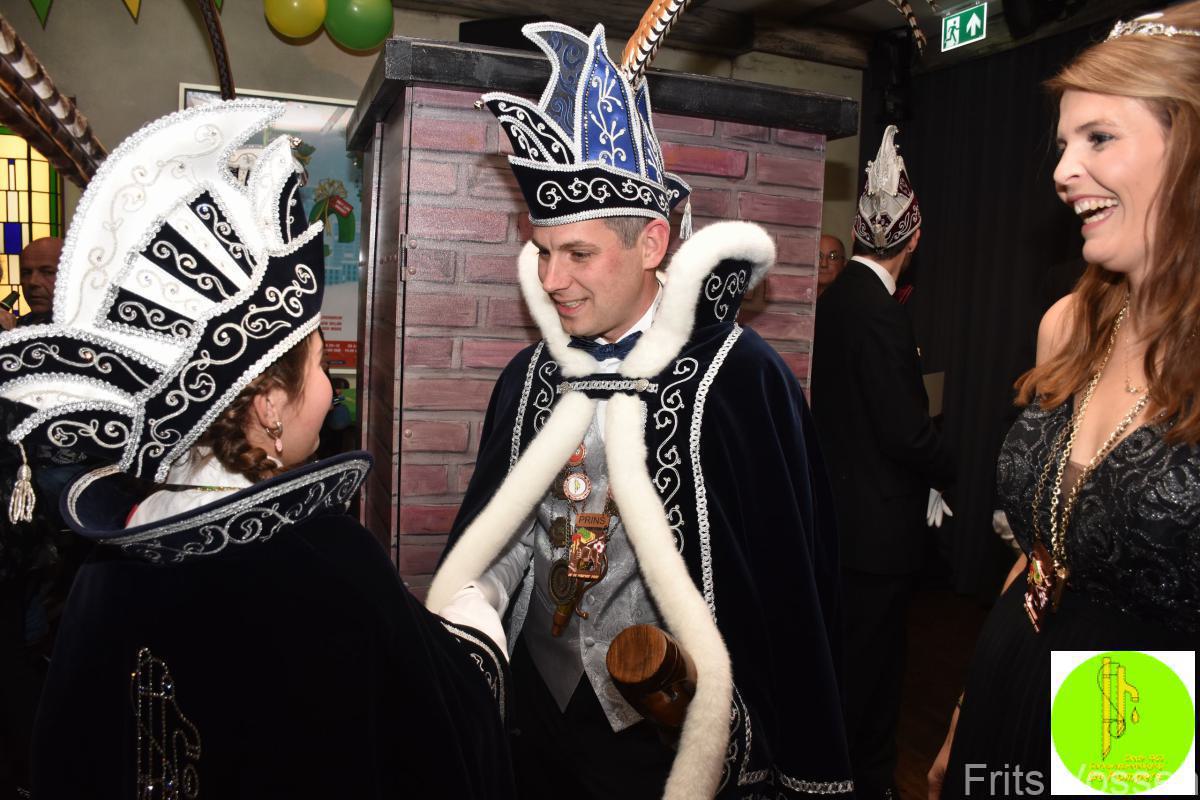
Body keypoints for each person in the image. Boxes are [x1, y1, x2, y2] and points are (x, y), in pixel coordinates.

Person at [0, 101, 513, 799]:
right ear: (270, 404)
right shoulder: (326, 556)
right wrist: (479, 628)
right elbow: (440, 738)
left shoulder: (107, 566)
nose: (330, 391)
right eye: (320, 367)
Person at [428, 20, 854, 800]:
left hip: (663, 726)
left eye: (579, 253)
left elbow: (788, 585)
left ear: (653, 244)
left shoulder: (740, 378)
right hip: (538, 714)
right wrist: (475, 609)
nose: (551, 280)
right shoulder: (529, 377)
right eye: (543, 251)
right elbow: (505, 530)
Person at [929, 7, 1200, 798]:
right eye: (1064, 144)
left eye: (1100, 137)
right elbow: (1040, 554)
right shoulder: (1069, 327)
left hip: (1140, 712)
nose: (1064, 170)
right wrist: (965, 710)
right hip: (1012, 671)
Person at [811, 126, 955, 800]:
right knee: (872, 672)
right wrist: (949, 464)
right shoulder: (880, 313)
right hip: (876, 530)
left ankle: (830, 772)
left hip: (838, 516)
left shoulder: (836, 300)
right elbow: (904, 431)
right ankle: (864, 783)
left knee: (844, 660)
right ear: (913, 239)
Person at [0, 236, 62, 331]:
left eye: (47, 272)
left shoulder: (84, 328)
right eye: (26, 273)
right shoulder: (17, 327)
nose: (33, 281)